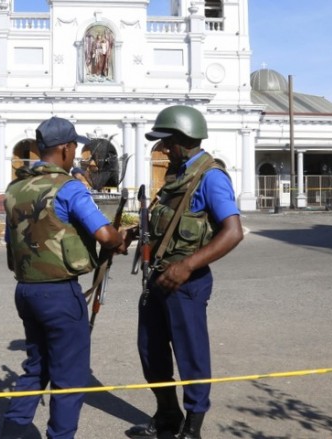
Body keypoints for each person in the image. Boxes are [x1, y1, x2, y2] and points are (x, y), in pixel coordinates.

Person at [2, 116, 129, 439]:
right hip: (59, 294)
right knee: (69, 377)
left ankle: (12, 432)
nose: (77, 154)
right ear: (64, 148)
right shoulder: (69, 188)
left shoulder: (15, 189)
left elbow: (11, 241)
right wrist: (119, 240)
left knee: (37, 366)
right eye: (75, 147)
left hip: (26, 291)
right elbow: (104, 234)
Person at [127, 105, 243, 439]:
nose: (162, 148)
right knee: (151, 349)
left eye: (166, 141)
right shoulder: (176, 176)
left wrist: (188, 265)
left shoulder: (211, 177)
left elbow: (232, 232)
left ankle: (192, 427)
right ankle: (167, 415)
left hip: (186, 282)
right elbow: (167, 222)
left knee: (191, 353)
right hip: (159, 278)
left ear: (182, 140)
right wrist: (136, 232)